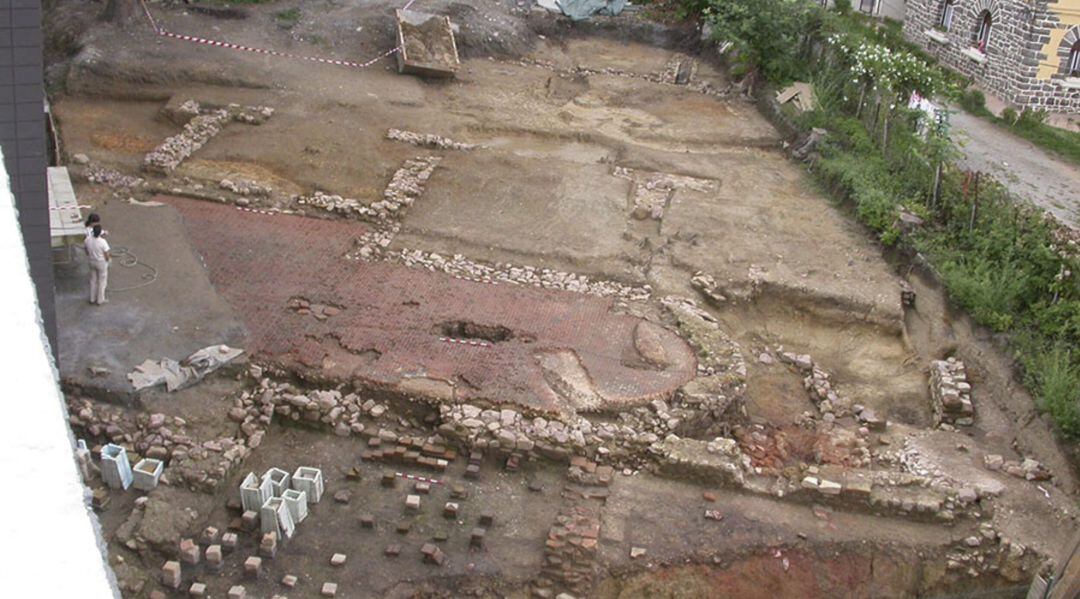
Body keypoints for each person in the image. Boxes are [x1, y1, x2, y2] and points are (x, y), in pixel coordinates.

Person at [84, 224, 111, 305]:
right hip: (101, 262)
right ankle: (100, 300)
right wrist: (108, 261)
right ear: (100, 233)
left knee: (93, 280)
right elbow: (106, 254)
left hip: (91, 261)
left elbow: (86, 250)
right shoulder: (103, 242)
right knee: (102, 281)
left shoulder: (87, 240)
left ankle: (92, 299)